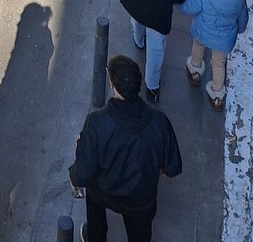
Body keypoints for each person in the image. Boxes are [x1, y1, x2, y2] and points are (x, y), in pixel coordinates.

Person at [69, 54, 182, 242]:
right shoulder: (159, 122)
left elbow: (85, 169)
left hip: (104, 192)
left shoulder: (97, 122)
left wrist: (74, 175)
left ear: (112, 84)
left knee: (93, 198)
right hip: (142, 197)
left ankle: (95, 236)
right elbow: (172, 167)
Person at [180, 0, 249, 112]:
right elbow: (243, 22)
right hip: (224, 41)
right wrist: (238, 30)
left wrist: (179, 5)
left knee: (198, 48)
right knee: (219, 64)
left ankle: (195, 71)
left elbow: (189, 8)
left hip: (203, 32)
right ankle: (217, 95)